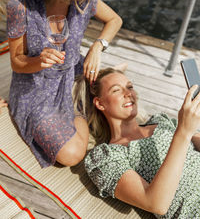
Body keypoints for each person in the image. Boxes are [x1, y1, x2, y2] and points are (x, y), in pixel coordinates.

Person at [6, 0, 130, 168]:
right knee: (72, 155)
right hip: (37, 89)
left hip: (74, 73)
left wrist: (97, 46)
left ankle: (84, 106)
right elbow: (16, 61)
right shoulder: (21, 5)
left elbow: (115, 20)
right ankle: (83, 113)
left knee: (122, 103)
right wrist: (38, 61)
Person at [79, 68, 200, 218]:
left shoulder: (161, 121)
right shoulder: (105, 157)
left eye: (130, 87)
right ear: (100, 103)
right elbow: (156, 203)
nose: (128, 93)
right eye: (116, 90)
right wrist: (183, 133)